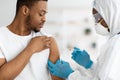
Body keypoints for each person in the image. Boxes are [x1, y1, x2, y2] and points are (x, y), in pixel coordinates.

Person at [47, 0, 120, 80]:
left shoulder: (116, 44)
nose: (96, 22)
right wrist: (89, 64)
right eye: (94, 18)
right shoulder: (113, 41)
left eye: (98, 18)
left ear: (111, 14)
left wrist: (70, 74)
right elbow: (102, 74)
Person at [0, 0, 64, 80]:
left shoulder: (48, 41)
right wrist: (31, 49)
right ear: (25, 10)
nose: (44, 19)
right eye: (41, 14)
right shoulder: (1, 37)